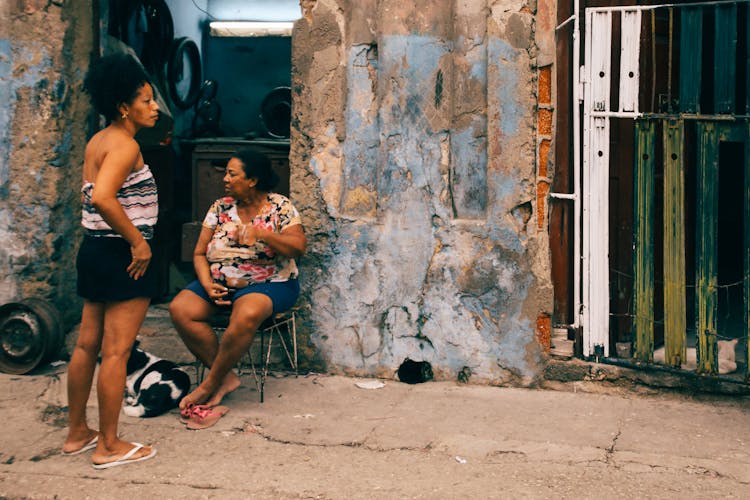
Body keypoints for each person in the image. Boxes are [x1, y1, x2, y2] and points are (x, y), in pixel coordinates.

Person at [62, 53, 160, 469]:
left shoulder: (98, 140)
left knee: (88, 344)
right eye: (146, 100)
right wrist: (138, 243)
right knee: (116, 352)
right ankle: (108, 445)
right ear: (124, 106)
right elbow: (102, 197)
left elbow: (93, 197)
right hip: (122, 255)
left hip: (95, 250)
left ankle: (76, 434)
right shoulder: (124, 144)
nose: (154, 107)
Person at [170, 148, 306, 411]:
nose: (225, 179)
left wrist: (263, 234)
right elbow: (199, 253)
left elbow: (298, 247)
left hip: (271, 284)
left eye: (232, 174)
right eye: (226, 173)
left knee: (246, 314)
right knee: (181, 309)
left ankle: (210, 384)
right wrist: (207, 282)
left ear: (252, 180)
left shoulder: (280, 206)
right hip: (220, 283)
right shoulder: (220, 207)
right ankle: (225, 378)